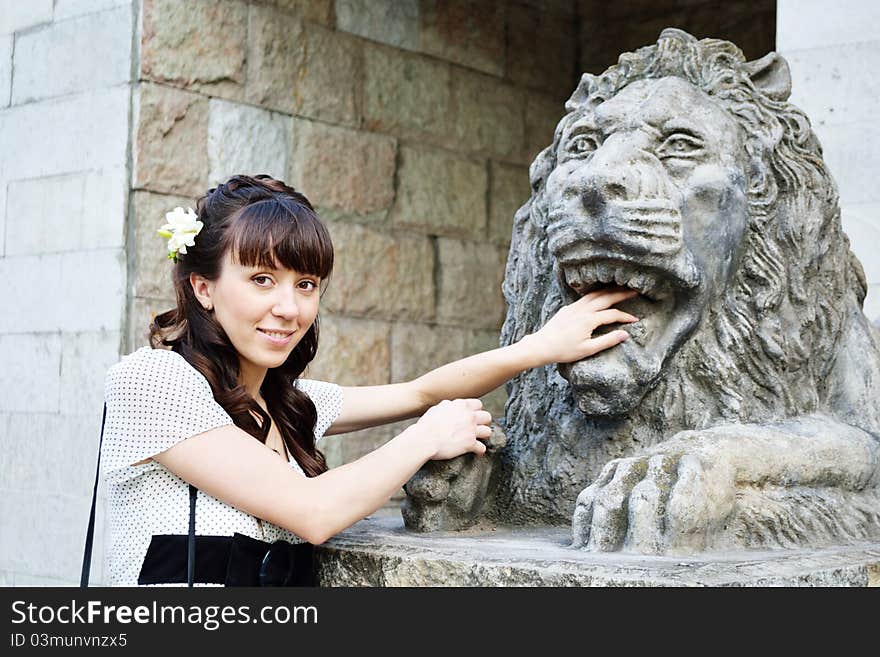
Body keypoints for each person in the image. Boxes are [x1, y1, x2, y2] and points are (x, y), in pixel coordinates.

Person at [100, 174, 638, 586]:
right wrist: (427, 435)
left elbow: (421, 391)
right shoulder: (152, 381)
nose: (288, 308)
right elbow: (313, 512)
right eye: (261, 279)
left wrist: (542, 346)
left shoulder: (289, 403)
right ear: (203, 288)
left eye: (306, 284)